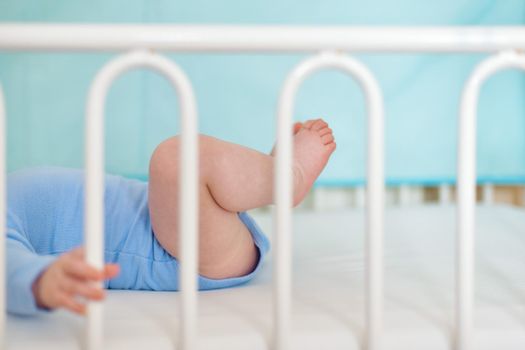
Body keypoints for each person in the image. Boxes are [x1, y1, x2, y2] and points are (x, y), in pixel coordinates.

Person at [6, 118, 335, 316]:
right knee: (175, 160)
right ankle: (286, 178)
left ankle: (266, 175)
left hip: (181, 218)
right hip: (174, 252)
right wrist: (41, 282)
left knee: (180, 168)